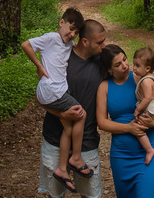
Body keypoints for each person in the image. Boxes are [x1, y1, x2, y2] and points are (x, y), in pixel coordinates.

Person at [23, 7, 89, 193]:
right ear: (61, 22)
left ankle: (62, 169)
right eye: (71, 28)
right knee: (81, 114)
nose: (72, 34)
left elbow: (76, 50)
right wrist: (39, 66)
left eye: (76, 32)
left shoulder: (68, 44)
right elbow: (26, 45)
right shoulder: (52, 38)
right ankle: (76, 158)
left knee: (68, 128)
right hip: (52, 90)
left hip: (52, 92)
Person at [39, 18, 107, 197]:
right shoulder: (61, 58)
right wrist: (61, 113)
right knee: (55, 194)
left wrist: (150, 83)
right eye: (99, 42)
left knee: (90, 195)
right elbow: (41, 98)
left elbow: (124, 74)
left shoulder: (102, 61)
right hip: (55, 139)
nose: (104, 46)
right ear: (85, 42)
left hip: (87, 141)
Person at [97, 45, 154, 198]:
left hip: (147, 152)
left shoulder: (141, 78)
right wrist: (128, 128)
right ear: (109, 69)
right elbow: (102, 122)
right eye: (118, 64)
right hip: (121, 156)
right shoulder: (104, 87)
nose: (125, 65)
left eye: (125, 59)